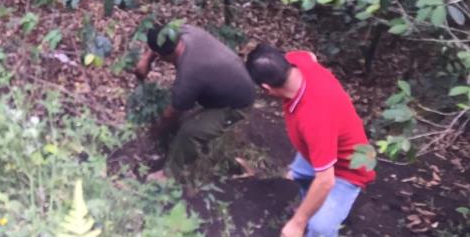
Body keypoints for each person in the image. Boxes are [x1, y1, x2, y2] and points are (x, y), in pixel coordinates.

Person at [245, 44, 375, 237]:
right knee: (300, 174)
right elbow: (311, 56)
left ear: (266, 88)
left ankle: (321, 214)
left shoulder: (314, 117)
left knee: (319, 227)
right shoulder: (297, 62)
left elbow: (326, 180)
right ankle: (314, 203)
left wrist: (298, 222)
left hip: (348, 168)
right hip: (320, 149)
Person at [134, 23, 255, 180]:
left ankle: (169, 175)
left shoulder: (189, 74)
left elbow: (171, 114)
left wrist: (157, 131)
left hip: (236, 104)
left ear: (163, 56)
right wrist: (146, 60)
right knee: (184, 119)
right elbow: (162, 36)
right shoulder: (185, 31)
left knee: (189, 131)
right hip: (229, 83)